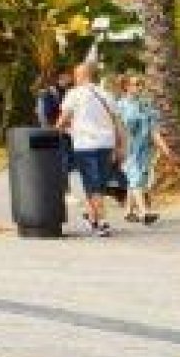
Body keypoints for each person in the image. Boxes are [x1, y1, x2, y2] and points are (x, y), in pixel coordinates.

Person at [57, 61, 123, 237]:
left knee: (92, 184)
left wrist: (55, 131)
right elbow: (118, 122)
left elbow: (63, 118)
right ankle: (93, 218)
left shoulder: (74, 94)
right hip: (106, 144)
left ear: (81, 76)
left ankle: (102, 222)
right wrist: (120, 146)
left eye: (75, 75)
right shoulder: (106, 94)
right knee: (98, 183)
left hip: (85, 145)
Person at [114, 75, 163, 226]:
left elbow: (153, 128)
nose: (139, 87)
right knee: (135, 178)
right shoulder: (120, 105)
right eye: (136, 84)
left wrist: (162, 146)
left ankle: (128, 211)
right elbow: (116, 128)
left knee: (137, 179)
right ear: (126, 87)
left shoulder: (145, 104)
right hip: (128, 148)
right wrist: (116, 148)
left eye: (141, 84)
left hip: (144, 148)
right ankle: (144, 212)